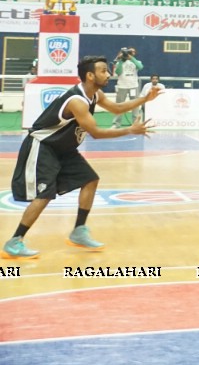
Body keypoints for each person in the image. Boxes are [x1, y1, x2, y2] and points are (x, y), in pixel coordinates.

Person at [2, 56, 159, 259]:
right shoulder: (77, 101)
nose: (109, 74)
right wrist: (131, 129)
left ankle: (78, 231)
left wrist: (145, 99)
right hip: (43, 146)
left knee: (90, 180)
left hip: (64, 149)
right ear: (90, 75)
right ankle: (14, 241)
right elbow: (96, 133)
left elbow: (117, 108)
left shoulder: (96, 94)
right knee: (45, 195)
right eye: (103, 71)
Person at [111, 47, 143, 128]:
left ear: (134, 53)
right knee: (119, 105)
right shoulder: (119, 62)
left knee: (135, 105)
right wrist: (121, 60)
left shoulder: (136, 61)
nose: (129, 53)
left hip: (133, 86)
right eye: (128, 52)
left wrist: (131, 58)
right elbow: (118, 72)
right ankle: (116, 124)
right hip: (122, 86)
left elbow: (140, 67)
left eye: (132, 52)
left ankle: (135, 124)